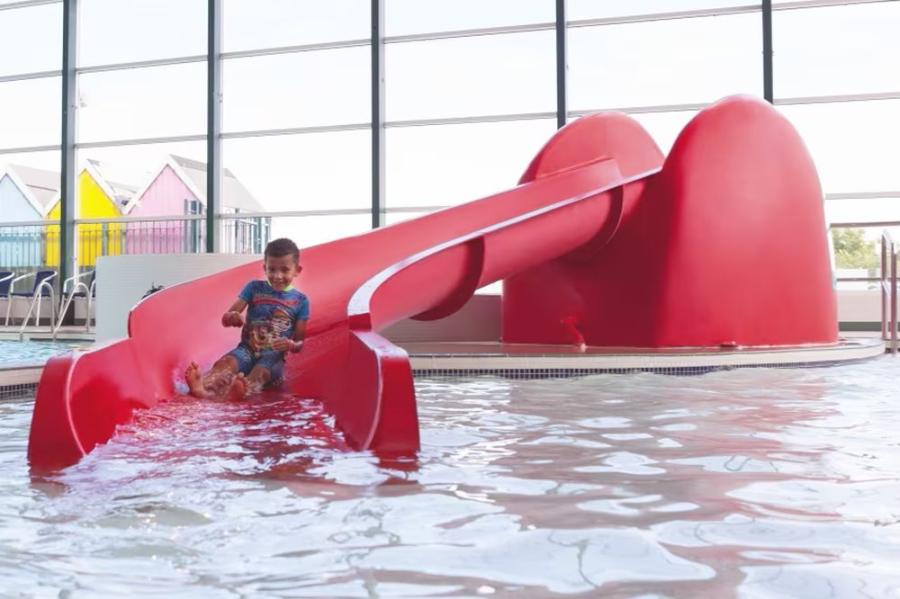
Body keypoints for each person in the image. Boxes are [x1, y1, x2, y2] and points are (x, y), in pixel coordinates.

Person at [185, 238, 310, 400]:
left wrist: (291, 344)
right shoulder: (254, 288)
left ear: (297, 270)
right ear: (265, 268)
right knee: (226, 363)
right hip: (247, 349)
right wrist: (233, 317)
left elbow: (300, 343)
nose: (278, 276)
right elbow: (226, 318)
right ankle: (204, 388)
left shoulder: (300, 301)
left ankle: (238, 393)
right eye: (272, 269)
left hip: (272, 357)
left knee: (260, 374)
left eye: (285, 270)